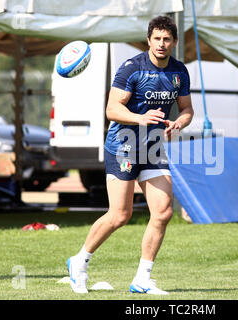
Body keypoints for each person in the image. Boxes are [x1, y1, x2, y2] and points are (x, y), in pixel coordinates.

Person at [66, 15, 194, 295]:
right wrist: (140, 118)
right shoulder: (131, 69)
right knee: (120, 215)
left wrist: (179, 123)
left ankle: (142, 279)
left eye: (167, 39)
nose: (161, 44)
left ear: (174, 42)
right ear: (149, 40)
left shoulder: (179, 71)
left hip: (153, 148)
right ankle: (79, 262)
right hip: (123, 146)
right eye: (157, 38)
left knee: (162, 212)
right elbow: (112, 110)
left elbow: (187, 109)